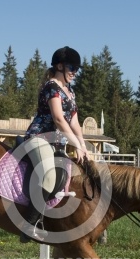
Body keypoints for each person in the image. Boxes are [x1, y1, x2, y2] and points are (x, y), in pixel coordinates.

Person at [19, 46, 90, 243]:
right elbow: (58, 119)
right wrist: (75, 144)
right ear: (59, 66)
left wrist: (82, 146)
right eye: (71, 67)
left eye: (77, 69)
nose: (75, 72)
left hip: (57, 143)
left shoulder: (70, 91)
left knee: (65, 178)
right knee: (50, 178)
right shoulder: (52, 88)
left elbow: (74, 121)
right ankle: (28, 224)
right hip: (39, 138)